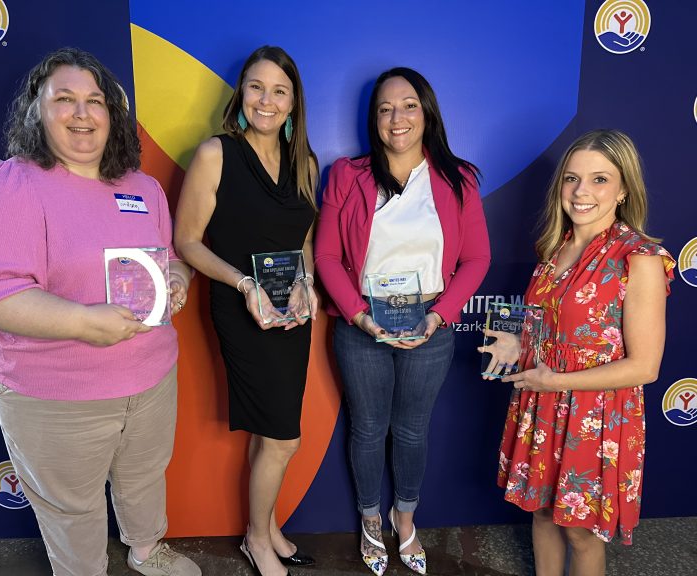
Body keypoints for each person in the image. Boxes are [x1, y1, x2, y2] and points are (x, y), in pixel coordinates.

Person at [0, 48, 200, 576]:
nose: (82, 113)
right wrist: (83, 323)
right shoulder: (10, 185)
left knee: (146, 475)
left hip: (150, 378)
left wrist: (176, 277)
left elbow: (169, 257)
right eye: (65, 99)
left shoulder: (142, 187)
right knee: (71, 506)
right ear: (38, 111)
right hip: (57, 392)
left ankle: (147, 549)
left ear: (112, 114)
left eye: (94, 101)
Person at [314, 67, 491, 576]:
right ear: (375, 118)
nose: (398, 117)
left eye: (409, 104)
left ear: (427, 111)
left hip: (430, 321)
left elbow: (477, 258)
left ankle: (405, 520)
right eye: (386, 108)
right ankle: (371, 520)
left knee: (413, 431)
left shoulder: (459, 178)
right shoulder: (348, 175)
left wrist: (439, 316)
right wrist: (358, 315)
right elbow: (326, 256)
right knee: (368, 429)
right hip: (362, 319)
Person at [482, 130, 675, 576]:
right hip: (543, 400)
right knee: (543, 513)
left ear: (624, 189)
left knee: (580, 532)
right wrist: (519, 344)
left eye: (599, 179)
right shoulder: (554, 248)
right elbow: (555, 331)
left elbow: (644, 367)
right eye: (572, 179)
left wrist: (555, 381)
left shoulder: (639, 258)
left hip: (596, 413)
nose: (582, 192)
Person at [174, 46, 318, 576]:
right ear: (241, 94)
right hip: (243, 307)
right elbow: (186, 241)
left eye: (280, 90)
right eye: (257, 87)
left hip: (291, 313)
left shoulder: (305, 161)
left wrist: (307, 284)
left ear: (293, 103)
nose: (267, 99)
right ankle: (257, 539)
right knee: (284, 437)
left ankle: (269, 525)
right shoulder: (217, 153)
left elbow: (301, 238)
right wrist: (244, 284)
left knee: (271, 431)